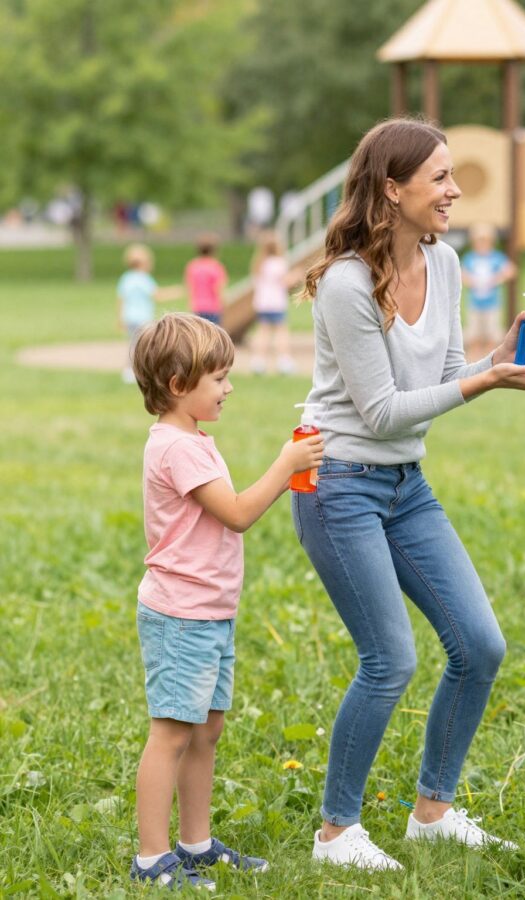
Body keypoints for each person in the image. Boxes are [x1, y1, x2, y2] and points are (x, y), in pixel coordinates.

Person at [294, 118, 525, 871]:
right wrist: (483, 379)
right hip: (338, 483)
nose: (455, 191)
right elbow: (379, 411)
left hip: (404, 485)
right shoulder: (348, 284)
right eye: (440, 178)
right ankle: (335, 833)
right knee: (389, 660)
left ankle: (433, 812)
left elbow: (443, 373)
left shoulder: (442, 264)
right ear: (393, 189)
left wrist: (499, 357)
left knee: (479, 645)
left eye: (453, 176)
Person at [128, 313, 324, 889]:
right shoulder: (176, 448)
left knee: (206, 728)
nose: (228, 388)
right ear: (177, 383)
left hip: (209, 612)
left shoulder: (192, 439)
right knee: (171, 733)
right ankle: (151, 858)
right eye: (218, 378)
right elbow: (236, 515)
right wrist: (286, 468)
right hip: (181, 616)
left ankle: (195, 844)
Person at [116, 243, 181, 383]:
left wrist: (120, 319)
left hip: (129, 317)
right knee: (145, 346)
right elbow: (157, 295)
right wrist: (176, 291)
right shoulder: (144, 279)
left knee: (133, 344)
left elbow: (121, 299)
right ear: (143, 263)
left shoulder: (126, 278)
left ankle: (129, 371)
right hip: (143, 318)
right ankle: (141, 371)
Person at [460, 222, 516, 360]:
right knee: (474, 334)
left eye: (485, 242)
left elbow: (511, 270)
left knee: (491, 334)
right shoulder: (470, 258)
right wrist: (471, 281)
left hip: (492, 304)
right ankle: (474, 360)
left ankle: (490, 359)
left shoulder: (496, 258)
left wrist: (496, 279)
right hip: (475, 303)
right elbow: (461, 273)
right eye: (479, 242)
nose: (482, 245)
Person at [249, 232, 296, 375]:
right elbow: (286, 282)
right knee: (281, 331)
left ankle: (259, 362)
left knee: (263, 331)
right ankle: (284, 361)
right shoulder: (279, 263)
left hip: (262, 302)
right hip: (276, 303)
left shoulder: (259, 264)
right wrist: (296, 276)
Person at [185, 236, 228, 327]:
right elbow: (217, 289)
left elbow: (190, 287)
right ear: (214, 250)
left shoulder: (193, 266)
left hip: (197, 307)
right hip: (213, 307)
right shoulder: (216, 266)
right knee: (215, 335)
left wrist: (190, 304)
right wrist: (224, 303)